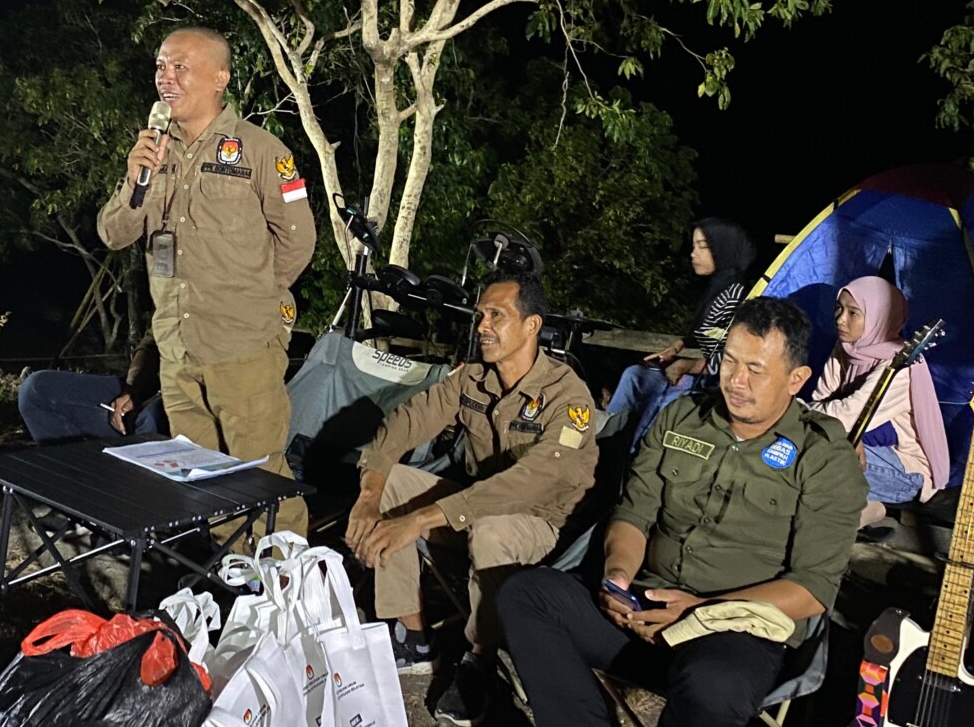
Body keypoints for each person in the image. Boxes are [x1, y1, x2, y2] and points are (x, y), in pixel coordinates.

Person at [497, 297, 867, 727]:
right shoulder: (682, 416)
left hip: (731, 634)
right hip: (642, 612)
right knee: (527, 595)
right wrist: (616, 577)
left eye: (756, 370)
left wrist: (700, 612)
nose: (736, 381)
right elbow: (634, 513)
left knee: (715, 684)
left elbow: (813, 588)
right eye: (729, 362)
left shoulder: (822, 455)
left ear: (796, 379)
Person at [345, 270, 599, 727]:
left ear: (531, 326)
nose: (482, 325)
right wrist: (370, 493)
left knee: (490, 529)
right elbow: (406, 421)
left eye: (496, 315)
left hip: (540, 525)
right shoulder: (473, 380)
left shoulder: (567, 396)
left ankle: (482, 658)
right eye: (481, 314)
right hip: (474, 509)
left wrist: (424, 519)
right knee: (395, 481)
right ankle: (414, 639)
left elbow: (532, 480)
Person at [97, 26, 317, 540]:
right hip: (177, 349)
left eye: (180, 67)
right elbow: (114, 233)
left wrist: (251, 299)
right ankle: (233, 584)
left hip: (242, 347)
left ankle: (296, 598)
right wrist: (135, 180)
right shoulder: (152, 152)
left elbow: (298, 241)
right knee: (204, 482)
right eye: (160, 67)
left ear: (220, 78)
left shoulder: (262, 151)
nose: (165, 79)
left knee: (262, 482)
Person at [809, 275, 950, 528]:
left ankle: (862, 511)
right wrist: (852, 435)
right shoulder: (846, 348)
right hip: (853, 450)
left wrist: (840, 427)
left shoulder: (899, 363)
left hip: (904, 470)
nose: (841, 319)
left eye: (854, 312)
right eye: (839, 308)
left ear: (879, 317)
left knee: (814, 453)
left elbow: (841, 416)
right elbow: (819, 403)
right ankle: (868, 510)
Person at [606, 218, 756, 446]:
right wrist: (679, 345)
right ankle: (604, 440)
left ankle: (634, 454)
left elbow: (727, 359)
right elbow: (706, 334)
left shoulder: (737, 297)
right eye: (694, 246)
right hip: (692, 373)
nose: (693, 254)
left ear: (723, 249)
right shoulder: (718, 288)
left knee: (659, 410)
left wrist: (686, 365)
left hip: (709, 383)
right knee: (634, 376)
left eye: (703, 247)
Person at [18, 333, 168, 444]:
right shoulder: (174, 293)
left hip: (180, 400)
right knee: (36, 391)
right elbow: (150, 343)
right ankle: (73, 477)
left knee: (152, 419)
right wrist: (132, 390)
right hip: (152, 386)